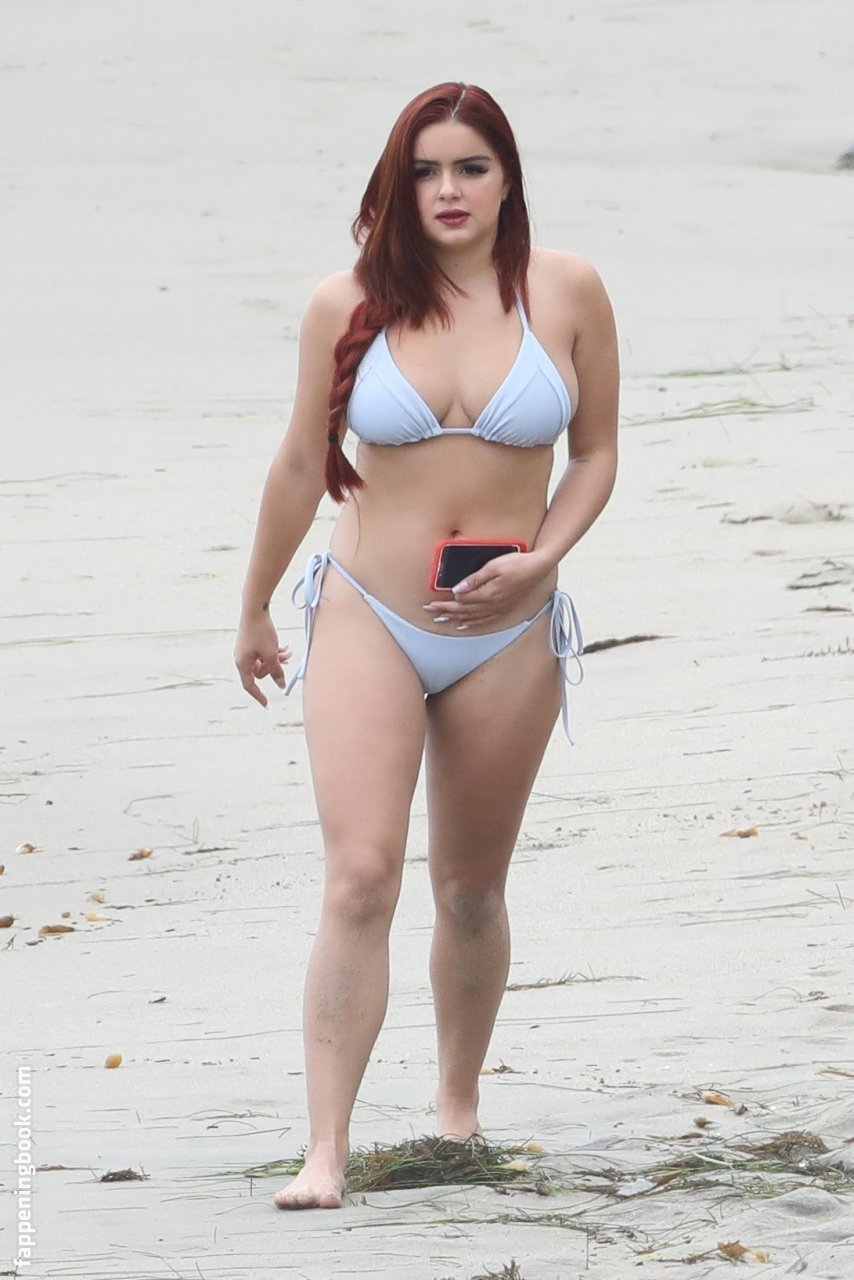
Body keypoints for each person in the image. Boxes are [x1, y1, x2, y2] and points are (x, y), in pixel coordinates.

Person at [234, 81, 619, 1210]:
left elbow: (595, 453)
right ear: (396, 185)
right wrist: (254, 607)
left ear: (506, 179)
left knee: (470, 889)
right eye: (424, 171)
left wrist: (543, 558)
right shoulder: (347, 300)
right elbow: (299, 464)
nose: (447, 190)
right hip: (371, 611)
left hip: (508, 629)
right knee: (361, 876)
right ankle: (326, 1149)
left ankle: (456, 1107)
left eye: (470, 167)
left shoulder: (567, 290)